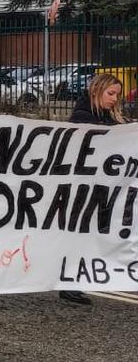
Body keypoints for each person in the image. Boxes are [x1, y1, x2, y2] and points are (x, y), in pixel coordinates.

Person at [60, 73, 130, 305]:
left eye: (117, 95)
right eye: (110, 94)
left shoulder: (112, 118)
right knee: (79, 235)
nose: (114, 99)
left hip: (103, 188)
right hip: (83, 187)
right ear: (96, 91)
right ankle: (69, 283)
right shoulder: (82, 117)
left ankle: (78, 279)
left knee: (93, 234)